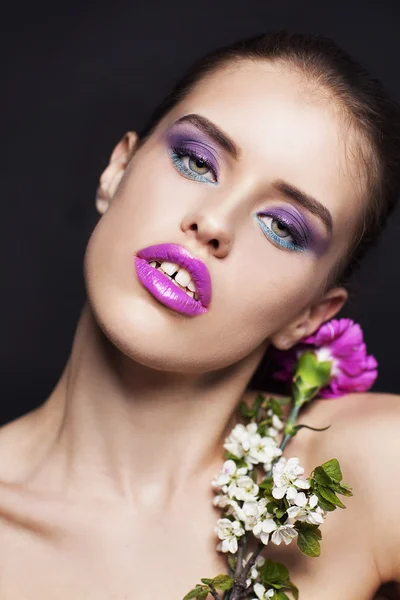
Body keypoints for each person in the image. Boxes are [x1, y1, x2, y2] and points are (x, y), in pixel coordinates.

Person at [0, 29, 399, 600]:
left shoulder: (372, 473)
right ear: (118, 170)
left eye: (282, 227)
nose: (213, 222)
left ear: (310, 315)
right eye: (195, 161)